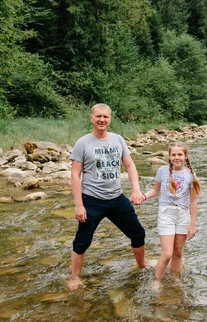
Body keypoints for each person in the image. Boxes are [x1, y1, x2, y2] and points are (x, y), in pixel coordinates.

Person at [67, 103, 146, 290]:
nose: (102, 120)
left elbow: (130, 165)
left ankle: (142, 265)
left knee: (138, 233)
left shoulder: (118, 139)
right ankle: (74, 276)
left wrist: (136, 189)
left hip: (117, 198)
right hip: (92, 199)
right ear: (91, 119)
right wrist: (79, 205)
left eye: (106, 117)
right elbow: (74, 175)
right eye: (98, 116)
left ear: (110, 119)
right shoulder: (83, 143)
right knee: (83, 240)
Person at [141, 142, 200, 281]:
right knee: (167, 253)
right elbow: (155, 190)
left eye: (180, 154)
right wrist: (143, 196)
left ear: (185, 156)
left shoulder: (190, 175)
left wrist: (192, 224)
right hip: (166, 214)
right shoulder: (162, 171)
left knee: (178, 252)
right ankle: (157, 281)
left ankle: (174, 277)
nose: (176, 157)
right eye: (173, 154)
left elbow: (193, 201)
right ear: (169, 156)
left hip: (183, 215)